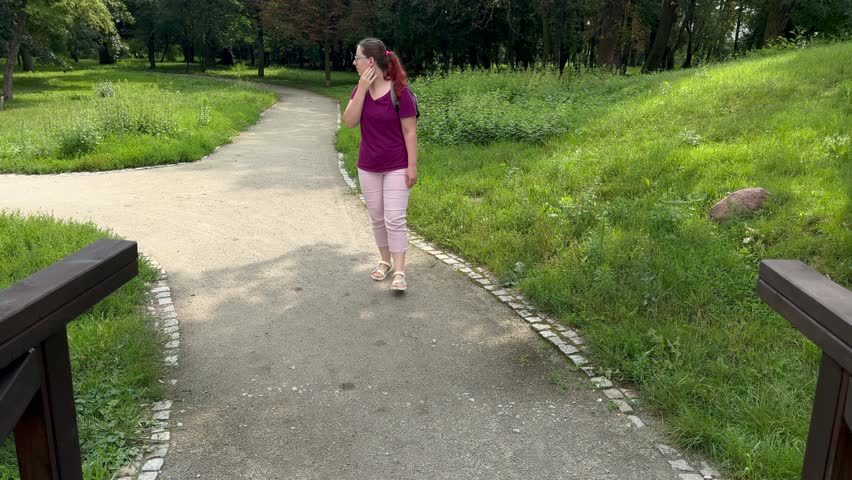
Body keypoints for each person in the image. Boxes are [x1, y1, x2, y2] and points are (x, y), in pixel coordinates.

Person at [342, 38, 418, 292]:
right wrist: (362, 89)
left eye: (357, 58)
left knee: (394, 219)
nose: (354, 63)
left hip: (397, 165)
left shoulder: (400, 92)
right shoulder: (360, 90)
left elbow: (410, 132)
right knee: (377, 218)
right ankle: (385, 261)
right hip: (368, 166)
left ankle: (399, 270)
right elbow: (349, 122)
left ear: (371, 61)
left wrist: (412, 166)